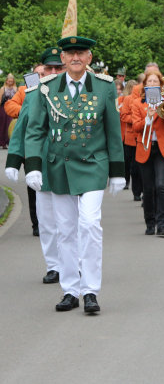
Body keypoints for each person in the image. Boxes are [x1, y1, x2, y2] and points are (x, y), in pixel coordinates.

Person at [24, 35, 126, 313]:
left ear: (89, 58)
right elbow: (35, 129)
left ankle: (90, 290)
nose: (75, 58)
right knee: (66, 231)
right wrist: (33, 165)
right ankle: (70, 289)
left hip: (93, 164)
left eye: (81, 53)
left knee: (90, 225)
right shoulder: (47, 87)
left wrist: (118, 170)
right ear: (64, 58)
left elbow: (113, 130)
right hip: (60, 166)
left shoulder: (104, 87)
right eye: (70, 54)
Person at [5, 47, 65, 281]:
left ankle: (75, 262)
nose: (52, 72)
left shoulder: (75, 92)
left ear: (63, 68)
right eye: (47, 69)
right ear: (40, 73)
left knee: (72, 222)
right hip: (43, 166)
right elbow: (21, 130)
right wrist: (14, 161)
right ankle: (54, 265)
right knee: (47, 220)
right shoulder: (32, 95)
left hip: (72, 166)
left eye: (56, 68)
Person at [132, 69, 164, 236]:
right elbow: (136, 127)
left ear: (161, 86)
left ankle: (162, 224)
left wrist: (163, 110)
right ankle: (150, 222)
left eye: (155, 82)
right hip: (146, 146)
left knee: (161, 185)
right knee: (148, 188)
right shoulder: (138, 104)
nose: (152, 84)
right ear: (144, 85)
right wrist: (148, 117)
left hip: (163, 148)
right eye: (149, 82)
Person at [119, 80, 142, 201]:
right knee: (133, 166)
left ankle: (143, 191)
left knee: (142, 167)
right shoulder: (128, 99)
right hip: (131, 138)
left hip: (143, 137)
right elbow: (123, 116)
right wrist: (136, 120)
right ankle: (136, 192)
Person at [0, 73, 18, 148]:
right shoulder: (3, 88)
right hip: (3, 108)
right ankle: (2, 142)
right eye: (9, 81)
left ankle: (10, 141)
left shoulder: (16, 88)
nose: (10, 82)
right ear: (6, 81)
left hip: (12, 108)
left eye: (11, 81)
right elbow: (0, 99)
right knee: (3, 125)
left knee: (10, 125)